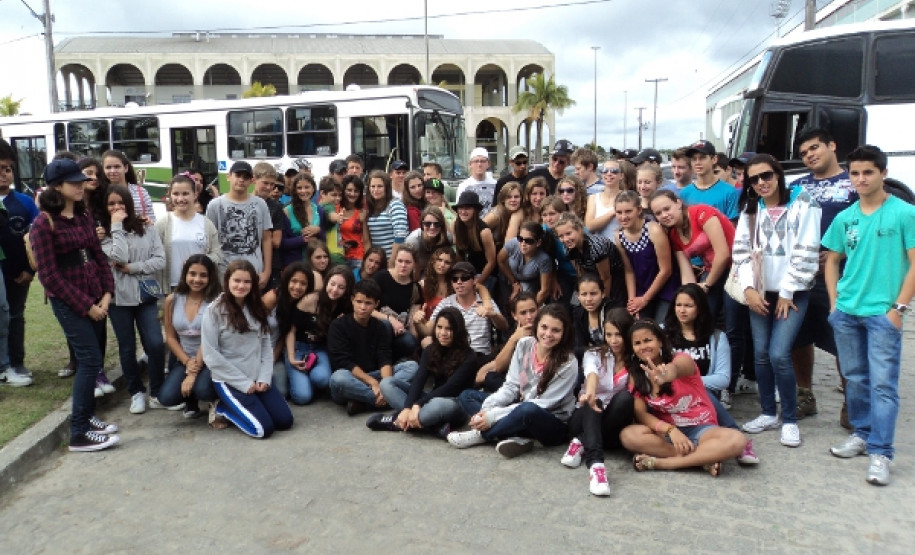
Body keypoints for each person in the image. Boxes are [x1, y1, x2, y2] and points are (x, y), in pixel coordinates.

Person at [823, 145, 915, 486]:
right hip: (847, 311)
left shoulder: (904, 213)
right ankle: (861, 434)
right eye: (855, 173)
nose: (861, 179)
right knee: (855, 378)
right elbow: (831, 260)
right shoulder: (845, 217)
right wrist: (834, 303)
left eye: (868, 172)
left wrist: (899, 308)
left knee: (883, 385)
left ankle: (881, 452)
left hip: (882, 314)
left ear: (883, 174)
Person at [30, 159, 119, 451]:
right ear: (57, 186)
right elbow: (49, 276)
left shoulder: (83, 215)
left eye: (82, 181)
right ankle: (78, 432)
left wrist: (107, 293)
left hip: (95, 295)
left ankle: (87, 417)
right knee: (89, 360)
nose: (81, 185)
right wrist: (86, 305)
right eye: (74, 182)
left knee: (93, 359)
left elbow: (98, 256)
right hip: (70, 302)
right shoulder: (44, 223)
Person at [733, 154, 821, 448]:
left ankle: (790, 419)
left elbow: (807, 248)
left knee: (779, 354)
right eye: (754, 179)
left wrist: (787, 291)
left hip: (792, 293)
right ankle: (769, 412)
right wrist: (749, 289)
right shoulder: (751, 208)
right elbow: (741, 252)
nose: (761, 182)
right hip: (760, 292)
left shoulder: (803, 201)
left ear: (778, 174)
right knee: (760, 354)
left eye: (767, 175)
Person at [448, 304, 578, 458]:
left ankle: (482, 435)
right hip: (520, 410)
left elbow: (542, 404)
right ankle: (512, 435)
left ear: (564, 333)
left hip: (549, 423)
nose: (548, 334)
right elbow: (511, 386)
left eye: (555, 330)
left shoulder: (568, 362)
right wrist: (488, 410)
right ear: (537, 326)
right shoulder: (525, 344)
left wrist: (492, 417)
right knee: (467, 396)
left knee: (528, 409)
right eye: (544, 327)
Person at [790, 127, 858, 423]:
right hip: (800, 276)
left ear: (832, 145)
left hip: (842, 275)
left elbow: (864, 224)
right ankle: (804, 396)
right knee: (798, 337)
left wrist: (837, 254)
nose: (809, 155)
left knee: (844, 337)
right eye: (804, 153)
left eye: (814, 148)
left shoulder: (854, 182)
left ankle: (852, 403)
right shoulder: (797, 186)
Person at [620, 320, 747, 476]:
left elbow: (676, 368)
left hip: (701, 428)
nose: (643, 346)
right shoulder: (636, 375)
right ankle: (702, 459)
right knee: (628, 435)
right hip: (668, 433)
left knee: (737, 440)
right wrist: (671, 430)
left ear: (660, 341)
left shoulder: (681, 359)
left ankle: (665, 463)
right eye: (637, 343)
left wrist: (666, 375)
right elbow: (641, 414)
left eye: (648, 340)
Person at [664, 284, 760, 465]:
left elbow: (723, 379)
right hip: (670, 393)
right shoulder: (662, 334)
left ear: (700, 308)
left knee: (702, 391)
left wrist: (691, 383)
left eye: (688, 306)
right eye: (678, 305)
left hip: (702, 395)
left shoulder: (716, 337)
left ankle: (738, 439)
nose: (682, 310)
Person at [100, 185, 174, 414]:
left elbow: (160, 259)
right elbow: (119, 256)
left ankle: (157, 391)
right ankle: (136, 391)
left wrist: (134, 268)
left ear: (129, 204)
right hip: (119, 298)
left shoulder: (146, 228)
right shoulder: (103, 234)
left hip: (146, 295)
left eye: (121, 202)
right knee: (127, 346)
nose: (117, 207)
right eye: (111, 204)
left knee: (155, 342)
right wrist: (116, 226)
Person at [202, 259, 293, 438]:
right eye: (236, 280)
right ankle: (222, 408)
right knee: (262, 430)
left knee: (284, 421)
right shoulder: (214, 311)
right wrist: (243, 383)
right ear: (227, 280)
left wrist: (264, 377)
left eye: (247, 281)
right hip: (229, 379)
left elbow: (266, 345)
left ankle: (250, 403)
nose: (241, 286)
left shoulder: (256, 307)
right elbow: (211, 356)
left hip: (256, 376)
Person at [366, 307, 478, 434]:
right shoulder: (430, 350)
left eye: (449, 329)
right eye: (439, 327)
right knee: (387, 383)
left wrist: (418, 404)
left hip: (454, 403)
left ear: (458, 331)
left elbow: (450, 388)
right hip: (431, 397)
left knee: (436, 405)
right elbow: (418, 381)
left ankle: (396, 421)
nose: (443, 333)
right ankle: (431, 426)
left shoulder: (469, 357)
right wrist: (408, 407)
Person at [561, 308, 635, 496]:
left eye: (618, 334)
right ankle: (596, 467)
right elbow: (591, 373)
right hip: (583, 416)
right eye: (609, 334)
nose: (613, 340)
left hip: (611, 425)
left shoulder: (634, 360)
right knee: (595, 402)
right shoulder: (593, 354)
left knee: (626, 398)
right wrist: (591, 394)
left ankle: (581, 442)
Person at [327, 279, 419, 415]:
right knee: (338, 378)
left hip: (375, 375)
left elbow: (384, 358)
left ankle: (363, 403)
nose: (363, 307)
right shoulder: (338, 326)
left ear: (376, 304)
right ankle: (387, 400)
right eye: (359, 302)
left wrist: (385, 385)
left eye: (368, 303)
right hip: (352, 378)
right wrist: (373, 383)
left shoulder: (380, 326)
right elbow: (343, 362)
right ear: (352, 300)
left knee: (412, 366)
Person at [157, 255, 221, 420]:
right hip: (186, 359)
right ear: (185, 274)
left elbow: (209, 339)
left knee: (203, 390)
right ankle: (190, 400)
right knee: (166, 397)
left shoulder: (216, 302)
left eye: (203, 275)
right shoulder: (172, 300)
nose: (197, 279)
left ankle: (217, 400)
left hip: (211, 358)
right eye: (192, 274)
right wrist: (187, 362)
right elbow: (170, 337)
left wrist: (192, 373)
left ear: (210, 277)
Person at [284, 265, 354, 405]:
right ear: (326, 282)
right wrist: (291, 357)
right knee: (303, 397)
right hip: (298, 347)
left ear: (347, 290)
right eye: (332, 284)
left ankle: (310, 377)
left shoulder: (345, 305)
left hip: (319, 349)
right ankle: (298, 380)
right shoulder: (310, 300)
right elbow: (290, 331)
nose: (335, 290)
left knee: (322, 379)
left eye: (341, 287)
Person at [0, 138, 38, 386]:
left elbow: (36, 239)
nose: (4, 174)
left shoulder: (25, 202)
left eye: (8, 169)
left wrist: (29, 269)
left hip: (18, 274)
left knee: (15, 316)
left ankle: (17, 361)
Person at [206, 161, 273, 289]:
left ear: (252, 180)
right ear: (228, 176)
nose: (241, 180)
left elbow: (266, 238)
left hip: (254, 270)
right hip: (223, 271)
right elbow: (209, 240)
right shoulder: (215, 205)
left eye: (246, 177)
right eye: (238, 175)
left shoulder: (260, 204)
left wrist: (267, 271)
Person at [155, 173, 222, 295]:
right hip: (172, 287)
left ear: (195, 194)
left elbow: (217, 254)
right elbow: (154, 255)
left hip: (201, 286)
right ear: (170, 195)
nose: (180, 199)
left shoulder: (206, 223)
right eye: (176, 194)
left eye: (185, 193)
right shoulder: (162, 224)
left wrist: (199, 261)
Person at [615, 190, 677, 322]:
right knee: (638, 324)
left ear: (638, 210)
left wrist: (645, 299)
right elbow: (629, 271)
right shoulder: (619, 236)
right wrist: (632, 302)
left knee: (660, 326)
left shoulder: (653, 230)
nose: (623, 217)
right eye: (619, 212)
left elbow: (666, 270)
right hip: (642, 289)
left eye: (628, 211)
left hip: (664, 289)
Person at [429, 261, 508, 358]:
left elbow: (504, 326)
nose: (459, 282)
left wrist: (493, 315)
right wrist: (418, 322)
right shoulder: (445, 303)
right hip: (455, 357)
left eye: (464, 278)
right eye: (455, 279)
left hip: (480, 356)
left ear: (474, 280)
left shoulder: (486, 302)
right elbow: (428, 329)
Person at [554, 212, 627, 309]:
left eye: (568, 234)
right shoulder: (568, 248)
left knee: (610, 309)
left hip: (613, 279)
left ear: (580, 229)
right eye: (561, 236)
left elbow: (606, 278)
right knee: (576, 306)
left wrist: (602, 303)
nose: (565, 239)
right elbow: (581, 274)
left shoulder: (596, 247)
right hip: (592, 276)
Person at [474, 292, 538, 392]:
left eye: (532, 311)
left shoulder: (545, 331)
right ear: (514, 315)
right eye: (523, 313)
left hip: (533, 384)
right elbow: (499, 365)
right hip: (512, 380)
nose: (529, 317)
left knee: (488, 380)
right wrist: (514, 338)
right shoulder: (515, 333)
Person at [678, 140, 740, 221]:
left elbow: (732, 226)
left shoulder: (729, 192)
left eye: (702, 157)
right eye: (694, 159)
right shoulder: (684, 193)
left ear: (714, 159)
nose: (697, 162)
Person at [497, 221, 553, 306]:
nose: (523, 244)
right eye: (520, 238)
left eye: (529, 241)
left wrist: (532, 308)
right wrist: (514, 283)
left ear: (538, 243)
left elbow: (544, 290)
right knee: (506, 303)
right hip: (508, 276)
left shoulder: (544, 259)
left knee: (523, 302)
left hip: (528, 281)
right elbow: (500, 260)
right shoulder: (513, 244)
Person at [452, 191, 497, 289]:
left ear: (475, 210)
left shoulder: (484, 231)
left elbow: (491, 262)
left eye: (467, 208)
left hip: (485, 274)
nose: (463, 212)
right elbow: (459, 255)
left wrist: (478, 283)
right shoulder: (456, 225)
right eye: (461, 208)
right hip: (467, 273)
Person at [252, 162, 286, 288]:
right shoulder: (245, 202)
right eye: (265, 183)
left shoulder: (275, 207)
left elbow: (276, 241)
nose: (269, 187)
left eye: (272, 184)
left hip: (271, 263)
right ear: (254, 180)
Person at [280, 173, 323, 267]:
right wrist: (303, 239)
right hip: (294, 264)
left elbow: (324, 239)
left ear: (313, 188)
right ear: (295, 190)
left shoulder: (319, 210)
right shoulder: (286, 211)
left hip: (315, 265)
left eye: (307, 187)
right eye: (299, 188)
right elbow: (282, 243)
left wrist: (318, 230)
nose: (303, 191)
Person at [364, 170, 408, 260]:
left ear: (387, 187)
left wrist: (392, 261)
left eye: (380, 186)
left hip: (393, 259)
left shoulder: (395, 205)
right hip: (377, 260)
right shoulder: (370, 207)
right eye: (373, 186)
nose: (375, 190)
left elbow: (400, 236)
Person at [102, 150, 155, 223]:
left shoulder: (141, 193)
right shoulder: (101, 194)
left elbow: (152, 221)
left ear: (126, 168)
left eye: (117, 167)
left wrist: (147, 222)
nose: (112, 171)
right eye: (108, 167)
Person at [403, 206, 451, 281]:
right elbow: (407, 269)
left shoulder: (447, 238)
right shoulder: (413, 241)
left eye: (437, 224)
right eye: (427, 224)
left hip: (439, 274)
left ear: (441, 225)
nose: (432, 227)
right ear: (422, 224)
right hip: (416, 275)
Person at [586, 158, 622, 242]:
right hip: (600, 247)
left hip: (621, 246)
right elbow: (589, 227)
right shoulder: (593, 198)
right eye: (605, 171)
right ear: (601, 174)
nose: (609, 174)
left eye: (614, 171)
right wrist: (613, 212)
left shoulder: (627, 197)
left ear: (621, 176)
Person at [455, 147, 497, 215]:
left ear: (488, 164)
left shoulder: (495, 184)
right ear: (470, 164)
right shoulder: (464, 186)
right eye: (476, 161)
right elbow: (459, 210)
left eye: (482, 161)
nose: (479, 164)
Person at [338, 175, 366, 270]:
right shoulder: (335, 208)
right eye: (349, 190)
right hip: (338, 256)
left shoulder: (362, 212)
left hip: (357, 257)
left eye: (356, 191)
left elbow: (366, 240)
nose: (352, 194)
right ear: (343, 190)